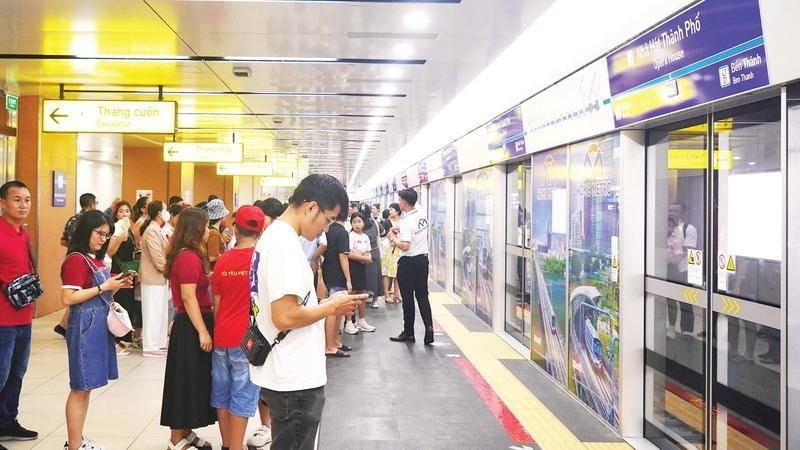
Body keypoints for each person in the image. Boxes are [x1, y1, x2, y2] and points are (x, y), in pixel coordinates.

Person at [250, 174, 363, 449]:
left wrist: (325, 303)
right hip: (293, 377)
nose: (324, 230)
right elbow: (285, 316)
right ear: (311, 207)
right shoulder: (284, 246)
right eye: (327, 220)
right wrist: (331, 307)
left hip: (285, 368)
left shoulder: (274, 237)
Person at [60, 210, 133, 450]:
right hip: (84, 325)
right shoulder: (76, 259)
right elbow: (68, 297)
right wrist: (104, 286)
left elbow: (99, 292)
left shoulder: (95, 258)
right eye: (99, 233)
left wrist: (117, 285)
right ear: (85, 231)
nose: (103, 239)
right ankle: (74, 444)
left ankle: (77, 439)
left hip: (97, 323)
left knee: (87, 386)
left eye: (107, 235)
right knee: (80, 387)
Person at [161, 207, 216, 450]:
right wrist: (203, 331)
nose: (208, 231)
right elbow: (188, 296)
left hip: (191, 321)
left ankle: (186, 430)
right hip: (192, 326)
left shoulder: (190, 256)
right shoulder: (187, 257)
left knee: (193, 378)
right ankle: (176, 437)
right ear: (195, 229)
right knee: (183, 378)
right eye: (205, 226)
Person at [211, 206, 265, 450]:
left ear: (235, 229)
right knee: (243, 392)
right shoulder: (262, 261)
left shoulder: (223, 261)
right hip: (250, 338)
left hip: (222, 334)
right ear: (260, 230)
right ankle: (236, 446)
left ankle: (226, 443)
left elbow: (217, 304)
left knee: (222, 391)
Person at [0, 181, 38, 448]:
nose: (23, 205)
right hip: (2, 319)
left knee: (17, 373)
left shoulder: (23, 233)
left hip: (24, 316)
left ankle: (7, 421)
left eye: (27, 199)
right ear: (3, 203)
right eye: (17, 200)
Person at [246, 197, 286, 449]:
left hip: (276, 323)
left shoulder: (282, 244)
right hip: (256, 319)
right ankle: (266, 425)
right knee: (260, 372)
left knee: (275, 376)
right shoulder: (259, 244)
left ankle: (274, 424)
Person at [389, 189, 433, 345]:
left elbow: (405, 246)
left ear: (404, 203)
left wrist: (393, 237)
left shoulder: (407, 221)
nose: (398, 202)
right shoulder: (421, 212)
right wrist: (400, 230)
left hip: (408, 263)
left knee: (408, 299)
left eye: (399, 200)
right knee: (422, 296)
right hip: (423, 261)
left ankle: (409, 333)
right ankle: (429, 330)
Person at [55, 192, 98, 338]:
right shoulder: (88, 222)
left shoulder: (73, 219)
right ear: (91, 204)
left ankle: (64, 325)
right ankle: (68, 326)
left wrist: (72, 246)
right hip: (80, 260)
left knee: (76, 291)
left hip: (71, 255)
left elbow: (63, 240)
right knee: (78, 293)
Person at [106, 201, 141, 353]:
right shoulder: (116, 229)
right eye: (121, 211)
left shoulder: (130, 229)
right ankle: (118, 339)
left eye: (127, 211)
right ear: (116, 214)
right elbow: (110, 252)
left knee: (129, 304)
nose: (124, 214)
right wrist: (120, 237)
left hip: (130, 270)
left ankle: (126, 337)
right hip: (118, 270)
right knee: (121, 302)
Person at [321, 210, 356, 350]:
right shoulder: (342, 233)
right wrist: (348, 279)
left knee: (336, 309)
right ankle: (331, 345)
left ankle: (335, 342)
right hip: (337, 273)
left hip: (328, 270)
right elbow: (343, 257)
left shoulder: (329, 229)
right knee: (335, 311)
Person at [140, 201, 170, 357]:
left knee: (160, 312)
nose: (167, 212)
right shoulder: (152, 231)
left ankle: (159, 343)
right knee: (152, 312)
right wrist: (168, 270)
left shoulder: (158, 229)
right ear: (159, 213)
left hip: (161, 279)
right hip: (153, 277)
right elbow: (157, 257)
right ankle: (150, 345)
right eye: (165, 210)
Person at [665, 202, 697, 339]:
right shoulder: (666, 227)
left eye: (675, 211)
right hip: (668, 269)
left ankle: (687, 331)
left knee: (685, 300)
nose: (671, 213)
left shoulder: (689, 229)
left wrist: (675, 259)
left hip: (683, 270)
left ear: (683, 213)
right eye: (670, 210)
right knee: (670, 300)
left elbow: (689, 249)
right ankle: (671, 328)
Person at [348, 213, 376, 332]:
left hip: (363, 267)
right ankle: (349, 322)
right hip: (352, 267)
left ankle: (362, 321)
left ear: (363, 223)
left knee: (363, 293)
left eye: (359, 221)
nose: (357, 224)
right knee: (352, 295)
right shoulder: (350, 236)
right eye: (354, 222)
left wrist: (366, 257)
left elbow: (369, 253)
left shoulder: (365, 237)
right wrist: (363, 257)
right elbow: (348, 253)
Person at [358, 203, 383, 308]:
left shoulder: (357, 222)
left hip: (359, 254)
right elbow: (383, 232)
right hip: (373, 251)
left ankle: (363, 297)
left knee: (361, 276)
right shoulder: (375, 223)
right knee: (374, 276)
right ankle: (374, 299)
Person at [381, 204, 402, 303]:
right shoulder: (386, 222)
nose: (390, 211)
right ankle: (386, 294)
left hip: (399, 249)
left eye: (392, 209)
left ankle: (396, 294)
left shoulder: (403, 223)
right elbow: (383, 235)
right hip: (388, 250)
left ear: (398, 211)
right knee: (387, 272)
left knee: (397, 273)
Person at [205, 199, 230, 268]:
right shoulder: (214, 233)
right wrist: (227, 255)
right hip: (214, 269)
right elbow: (212, 257)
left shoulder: (213, 230)